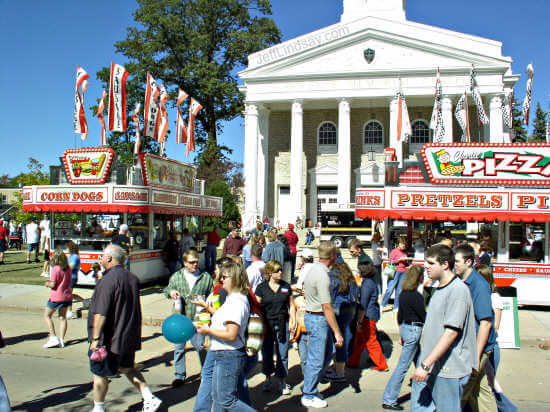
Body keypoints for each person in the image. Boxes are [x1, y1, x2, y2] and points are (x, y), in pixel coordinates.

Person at [88, 244, 161, 412]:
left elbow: (101, 313)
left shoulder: (107, 281)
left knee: (99, 373)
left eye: (102, 256)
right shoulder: (132, 278)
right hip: (127, 335)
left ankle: (98, 407)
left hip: (109, 338)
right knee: (127, 368)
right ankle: (149, 397)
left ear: (109, 258)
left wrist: (96, 338)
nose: (100, 258)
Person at [411, 244, 476, 412]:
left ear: (445, 264)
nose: (426, 266)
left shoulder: (457, 291)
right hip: (435, 367)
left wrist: (426, 365)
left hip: (449, 369)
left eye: (431, 263)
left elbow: (450, 333)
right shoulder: (438, 287)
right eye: (426, 262)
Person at [193, 261, 256, 412]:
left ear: (234, 278)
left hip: (229, 354)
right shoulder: (231, 298)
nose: (221, 280)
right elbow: (222, 319)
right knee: (218, 396)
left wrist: (207, 331)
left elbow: (231, 334)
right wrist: (206, 311)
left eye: (224, 277)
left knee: (227, 401)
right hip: (222, 353)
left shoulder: (237, 302)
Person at [453, 244, 498, 412]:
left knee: (458, 394)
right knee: (481, 391)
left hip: (477, 348)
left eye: (457, 261)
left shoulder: (479, 286)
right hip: (467, 345)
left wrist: (475, 357)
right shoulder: (459, 281)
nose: (454, 264)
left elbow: (485, 323)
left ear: (469, 262)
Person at [301, 241, 344, 409]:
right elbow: (327, 306)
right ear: (332, 256)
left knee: (327, 353)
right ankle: (308, 393)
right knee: (317, 359)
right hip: (318, 318)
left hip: (315, 317)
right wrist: (337, 332)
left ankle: (310, 388)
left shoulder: (314, 269)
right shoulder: (322, 275)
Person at [165, 249, 213, 387]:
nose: (195, 265)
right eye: (191, 262)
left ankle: (206, 374)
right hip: (180, 320)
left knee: (201, 347)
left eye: (196, 262)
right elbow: (167, 290)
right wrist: (171, 292)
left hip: (198, 319)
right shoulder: (177, 276)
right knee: (179, 348)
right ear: (184, 263)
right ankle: (179, 375)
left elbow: (212, 295)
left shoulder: (205, 277)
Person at [382, 265, 426, 410]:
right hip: (415, 329)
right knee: (403, 366)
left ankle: (424, 393)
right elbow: (424, 316)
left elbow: (400, 316)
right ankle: (389, 398)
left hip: (406, 328)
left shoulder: (403, 294)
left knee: (420, 363)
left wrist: (401, 333)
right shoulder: (416, 296)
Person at [255, 260, 296, 395]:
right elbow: (257, 307)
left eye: (281, 270)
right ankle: (267, 378)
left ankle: (282, 380)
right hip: (267, 324)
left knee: (282, 353)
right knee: (267, 353)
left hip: (282, 322)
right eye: (277, 270)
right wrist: (260, 322)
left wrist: (293, 320)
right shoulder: (261, 288)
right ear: (270, 272)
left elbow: (291, 304)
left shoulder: (285, 286)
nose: (280, 273)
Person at [347, 263, 389, 371]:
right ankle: (353, 361)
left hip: (367, 317)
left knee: (370, 341)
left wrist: (359, 322)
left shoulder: (366, 285)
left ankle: (381, 364)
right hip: (370, 314)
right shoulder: (370, 282)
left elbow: (363, 305)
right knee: (360, 341)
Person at [324, 262, 359, 382]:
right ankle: (339, 368)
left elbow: (330, 296)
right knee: (343, 338)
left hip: (336, 308)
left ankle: (339, 372)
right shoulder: (351, 280)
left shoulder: (333, 278)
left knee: (336, 341)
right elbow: (355, 296)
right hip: (349, 310)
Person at [43, 249, 73, 349]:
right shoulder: (68, 268)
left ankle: (53, 337)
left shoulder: (56, 269)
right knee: (62, 318)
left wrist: (46, 283)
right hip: (67, 296)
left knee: (47, 315)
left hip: (56, 297)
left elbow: (53, 284)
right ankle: (61, 339)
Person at [382, 237, 410, 312]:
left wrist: (408, 265)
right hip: (395, 271)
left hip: (403, 272)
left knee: (399, 290)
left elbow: (405, 263)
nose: (404, 246)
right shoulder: (394, 251)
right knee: (390, 289)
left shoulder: (405, 252)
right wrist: (399, 260)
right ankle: (382, 305)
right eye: (402, 244)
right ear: (398, 244)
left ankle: (396, 307)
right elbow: (391, 262)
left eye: (404, 244)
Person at [66, 241, 80, 319]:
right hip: (68, 277)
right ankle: (84, 301)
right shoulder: (71, 256)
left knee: (68, 295)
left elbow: (71, 267)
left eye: (67, 248)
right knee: (69, 294)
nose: (66, 249)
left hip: (72, 277)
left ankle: (69, 311)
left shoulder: (75, 256)